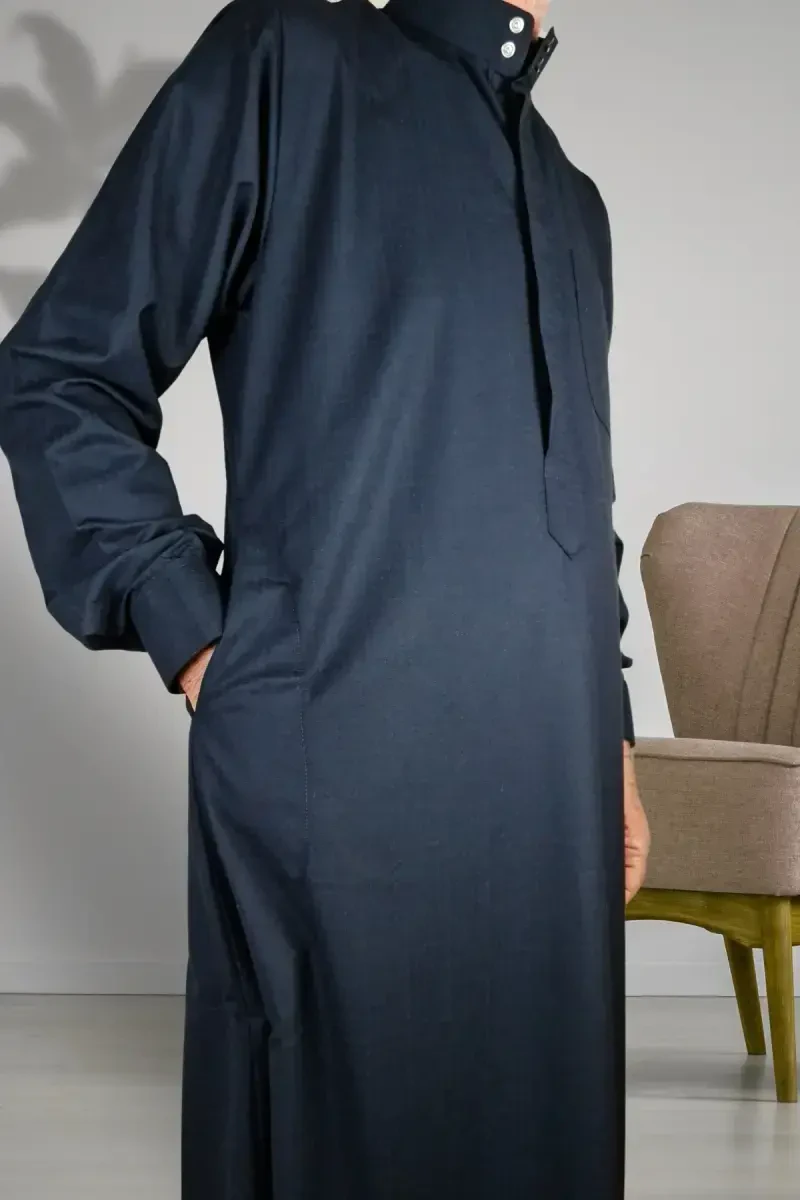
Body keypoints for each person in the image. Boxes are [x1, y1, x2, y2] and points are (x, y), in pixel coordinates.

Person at [0, 0, 650, 1195]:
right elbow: (60, 374)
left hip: (548, 796)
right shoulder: (288, 63)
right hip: (338, 774)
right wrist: (194, 635)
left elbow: (574, 499)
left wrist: (607, 740)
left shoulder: (575, 203)